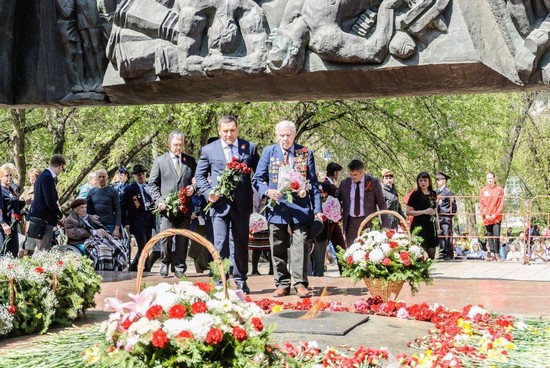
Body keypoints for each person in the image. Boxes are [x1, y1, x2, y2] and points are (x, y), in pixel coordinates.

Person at [253, 120, 322, 298]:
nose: (285, 138)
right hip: (277, 208)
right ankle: (282, 283)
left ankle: (300, 284)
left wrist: (317, 209)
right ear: (277, 136)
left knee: (300, 246)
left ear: (294, 134)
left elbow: (313, 183)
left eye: (288, 135)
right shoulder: (269, 152)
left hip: (300, 207)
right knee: (278, 246)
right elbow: (257, 179)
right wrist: (268, 191)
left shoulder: (305, 152)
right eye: (282, 135)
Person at [195, 115, 259, 294]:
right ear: (219, 131)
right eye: (225, 131)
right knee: (220, 243)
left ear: (237, 130)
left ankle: (241, 280)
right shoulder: (209, 150)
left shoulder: (249, 148)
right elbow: (199, 176)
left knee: (241, 243)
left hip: (242, 205)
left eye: (232, 130)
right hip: (219, 205)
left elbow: (260, 172)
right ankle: (220, 279)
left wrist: (258, 190)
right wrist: (209, 193)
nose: (229, 134)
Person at [149, 130, 196, 278]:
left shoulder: (190, 161)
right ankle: (165, 262)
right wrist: (159, 201)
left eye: (181, 145)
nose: (178, 148)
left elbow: (197, 181)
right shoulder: (160, 161)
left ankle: (180, 266)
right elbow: (153, 185)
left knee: (182, 238)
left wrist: (193, 188)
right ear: (169, 144)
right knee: (166, 237)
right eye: (175, 145)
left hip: (185, 207)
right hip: (166, 208)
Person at [65, 198, 128, 270]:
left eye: (85, 207)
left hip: (99, 239)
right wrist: (94, 232)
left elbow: (101, 227)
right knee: (103, 249)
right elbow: (74, 233)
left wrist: (106, 233)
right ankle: (103, 271)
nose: (84, 209)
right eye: (82, 207)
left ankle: (117, 270)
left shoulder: (90, 217)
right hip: (84, 241)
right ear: (75, 209)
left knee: (118, 246)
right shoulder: (70, 220)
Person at [337, 160, 389, 247]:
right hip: (350, 224)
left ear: (362, 172)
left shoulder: (373, 182)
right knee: (351, 250)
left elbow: (382, 203)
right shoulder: (345, 183)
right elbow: (336, 199)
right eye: (351, 174)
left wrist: (385, 224)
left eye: (355, 175)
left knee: (368, 249)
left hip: (369, 222)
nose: (353, 177)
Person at [26, 154, 66, 253]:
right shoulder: (47, 177)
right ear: (59, 166)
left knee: (33, 250)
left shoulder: (42, 176)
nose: (61, 171)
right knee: (43, 251)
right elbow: (50, 201)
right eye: (62, 168)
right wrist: (60, 215)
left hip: (37, 218)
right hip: (43, 220)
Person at [121, 164, 155, 271]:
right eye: (137, 175)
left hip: (149, 219)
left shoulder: (150, 186)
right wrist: (126, 223)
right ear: (134, 176)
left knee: (147, 246)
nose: (140, 176)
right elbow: (122, 207)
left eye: (142, 174)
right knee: (143, 246)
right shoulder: (130, 189)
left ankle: (132, 268)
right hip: (137, 222)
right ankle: (146, 269)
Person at [405, 172, 438, 259]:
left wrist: (437, 226)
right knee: (422, 253)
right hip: (419, 225)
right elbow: (408, 212)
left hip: (430, 225)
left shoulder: (433, 194)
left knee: (432, 253)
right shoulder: (415, 194)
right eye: (421, 180)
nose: (423, 183)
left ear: (429, 181)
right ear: (418, 182)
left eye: (425, 180)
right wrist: (424, 211)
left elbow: (435, 210)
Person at [0, 164, 28, 257]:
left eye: (11, 175)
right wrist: (3, 224)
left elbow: (13, 206)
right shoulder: (0, 189)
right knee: (4, 253)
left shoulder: (12, 189)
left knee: (13, 253)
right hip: (4, 226)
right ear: (1, 177)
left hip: (13, 224)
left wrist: (25, 202)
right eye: (6, 175)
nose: (9, 177)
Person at [86, 168, 122, 238]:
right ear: (96, 178)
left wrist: (117, 228)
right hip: (96, 226)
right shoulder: (91, 192)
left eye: (103, 176)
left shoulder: (113, 192)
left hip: (110, 225)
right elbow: (86, 210)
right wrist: (91, 216)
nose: (101, 178)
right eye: (99, 177)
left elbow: (118, 210)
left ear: (107, 177)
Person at [479, 172, 504, 261]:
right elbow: (481, 204)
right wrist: (486, 214)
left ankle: (497, 254)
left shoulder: (499, 189)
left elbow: (501, 204)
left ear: (494, 178)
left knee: (496, 236)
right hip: (487, 217)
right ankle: (492, 253)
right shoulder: (483, 190)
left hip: (496, 217)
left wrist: (495, 214)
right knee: (489, 236)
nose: (489, 180)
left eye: (491, 178)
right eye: (488, 178)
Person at [435, 171, 457, 260]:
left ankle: (449, 253)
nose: (437, 181)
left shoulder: (448, 192)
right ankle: (442, 251)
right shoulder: (436, 192)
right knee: (440, 234)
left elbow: (453, 205)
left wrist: (450, 214)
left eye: (438, 179)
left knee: (447, 234)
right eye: (436, 179)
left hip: (445, 215)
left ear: (444, 180)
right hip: (438, 216)